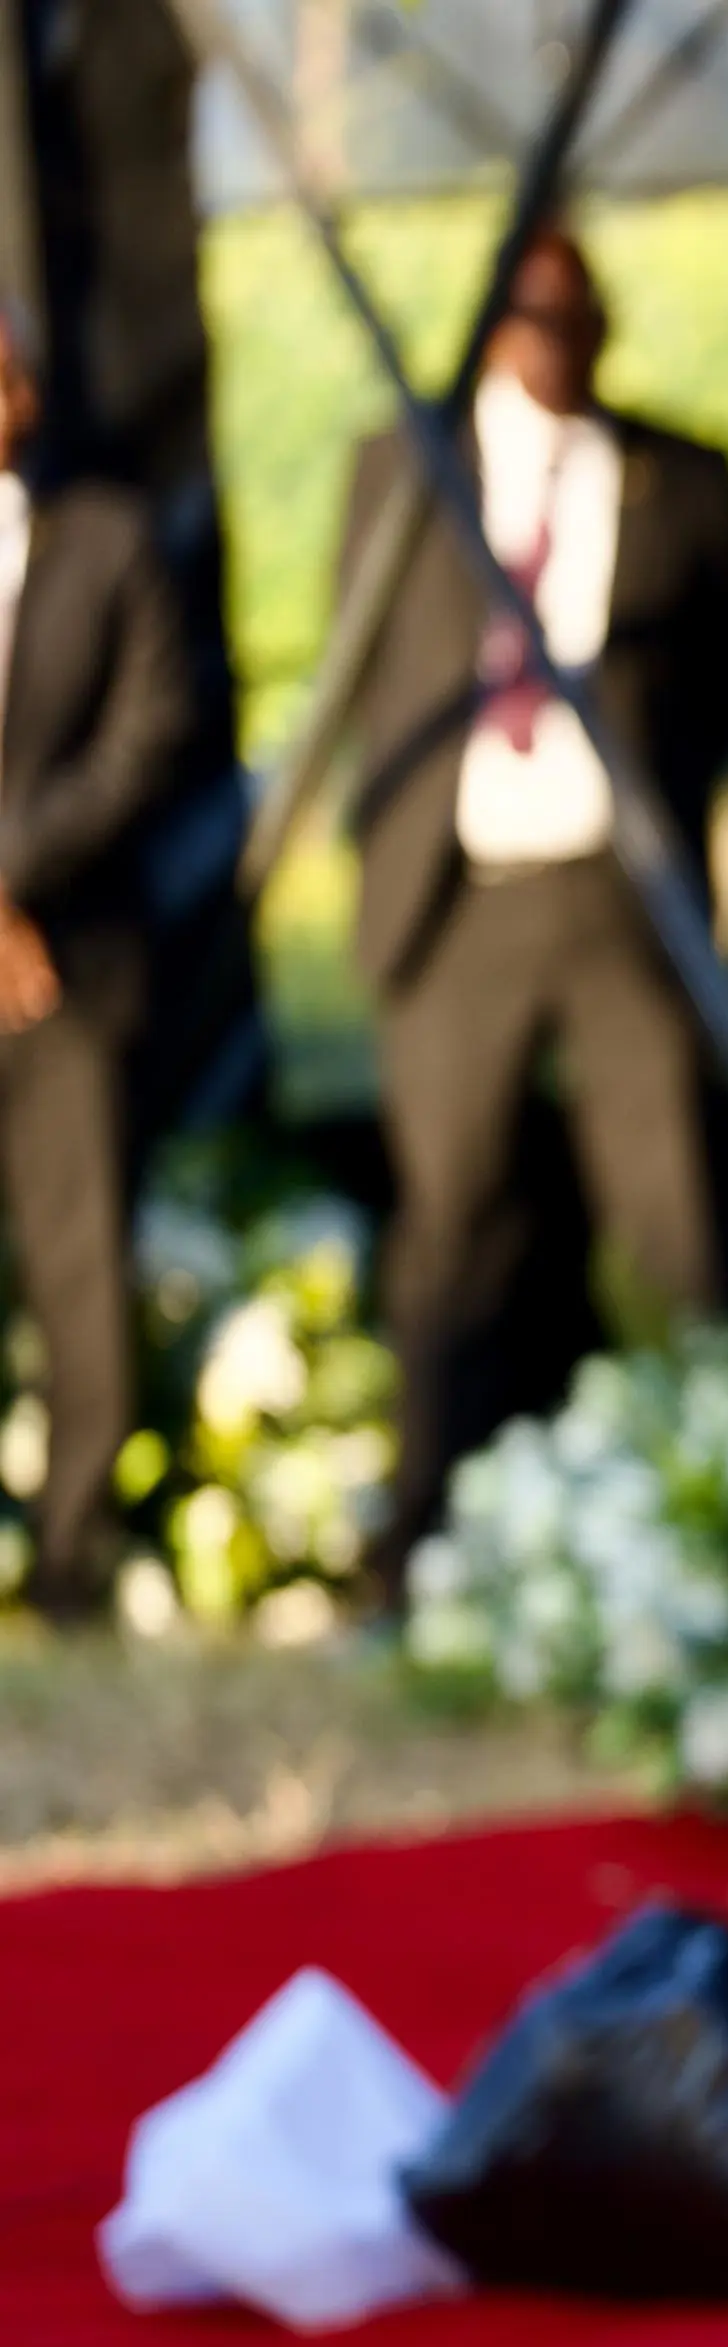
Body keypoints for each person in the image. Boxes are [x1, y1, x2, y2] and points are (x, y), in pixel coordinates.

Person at [341, 221, 728, 1559]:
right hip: (456, 888)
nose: (558, 343)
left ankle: (711, 1523)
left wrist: (659, 794)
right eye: (532, 316)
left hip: (615, 890)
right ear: (490, 329)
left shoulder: (677, 475)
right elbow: (367, 664)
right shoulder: (405, 466)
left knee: (667, 1211)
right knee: (452, 1226)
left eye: (580, 317)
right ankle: (424, 1535)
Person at [0, 320, 196, 1621]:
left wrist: (11, 880)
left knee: (77, 1261)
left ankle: (72, 1554)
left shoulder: (107, 543)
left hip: (63, 967)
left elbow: (150, 730)